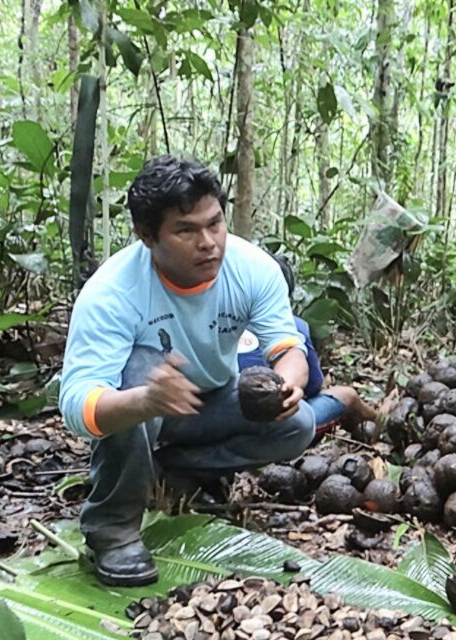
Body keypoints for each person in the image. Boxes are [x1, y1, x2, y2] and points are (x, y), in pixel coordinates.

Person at [60, 155, 316, 587]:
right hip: (140, 408)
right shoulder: (111, 293)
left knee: (298, 425)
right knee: (139, 367)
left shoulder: (253, 269)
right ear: (147, 236)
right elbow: (75, 408)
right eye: (186, 230)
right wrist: (144, 401)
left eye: (215, 224)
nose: (209, 242)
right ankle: (113, 529)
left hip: (209, 401)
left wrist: (289, 382)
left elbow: (288, 347)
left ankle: (174, 473)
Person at [236, 255, 377, 437]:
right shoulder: (294, 325)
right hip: (266, 429)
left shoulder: (221, 320)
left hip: (215, 420)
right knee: (347, 395)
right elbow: (312, 388)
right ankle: (382, 425)